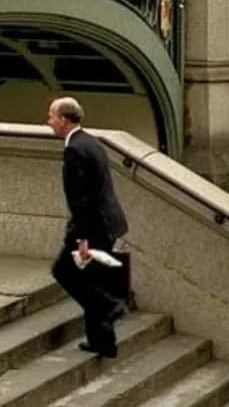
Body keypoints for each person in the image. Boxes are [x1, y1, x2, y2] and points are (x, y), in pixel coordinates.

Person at [47, 96, 130, 358]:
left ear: (63, 120)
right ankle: (104, 342)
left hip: (93, 226)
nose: (48, 122)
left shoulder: (74, 151)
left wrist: (81, 239)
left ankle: (109, 307)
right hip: (107, 222)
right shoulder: (91, 142)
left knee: (64, 271)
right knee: (90, 278)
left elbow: (80, 199)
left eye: (51, 116)